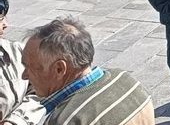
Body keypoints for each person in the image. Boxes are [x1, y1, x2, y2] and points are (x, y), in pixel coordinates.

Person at [21, 18, 154, 124]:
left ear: (59, 69)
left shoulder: (66, 121)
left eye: (29, 67)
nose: (24, 75)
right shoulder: (126, 80)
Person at [0, 0, 45, 125]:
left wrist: (15, 121)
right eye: (0, 20)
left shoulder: (18, 51)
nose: (6, 24)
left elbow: (39, 91)